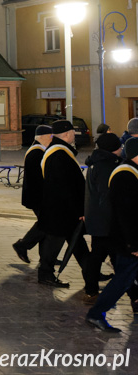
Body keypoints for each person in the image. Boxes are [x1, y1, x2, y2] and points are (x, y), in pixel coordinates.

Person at [86, 138, 138, 332]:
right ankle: (96, 313)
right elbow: (126, 214)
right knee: (123, 279)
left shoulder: (130, 171)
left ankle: (96, 313)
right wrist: (134, 245)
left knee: (125, 277)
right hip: (127, 240)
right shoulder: (124, 175)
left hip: (127, 238)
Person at [38, 120, 88, 288]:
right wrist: (79, 209)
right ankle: (45, 274)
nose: (74, 135)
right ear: (66, 134)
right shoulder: (59, 154)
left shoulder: (57, 151)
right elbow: (66, 186)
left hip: (60, 208)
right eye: (73, 132)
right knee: (54, 243)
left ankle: (91, 272)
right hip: (61, 210)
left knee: (77, 242)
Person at [82, 132, 128, 303]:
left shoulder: (96, 162)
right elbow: (107, 195)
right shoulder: (107, 165)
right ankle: (93, 291)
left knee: (101, 255)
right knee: (110, 256)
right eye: (119, 146)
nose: (121, 148)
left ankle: (92, 289)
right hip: (106, 221)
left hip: (98, 219)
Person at [13, 125, 53, 263]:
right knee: (45, 224)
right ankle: (22, 245)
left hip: (36, 196)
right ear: (43, 137)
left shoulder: (37, 150)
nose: (52, 139)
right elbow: (39, 178)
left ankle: (45, 256)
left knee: (46, 225)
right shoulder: (37, 152)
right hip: (38, 197)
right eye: (51, 136)